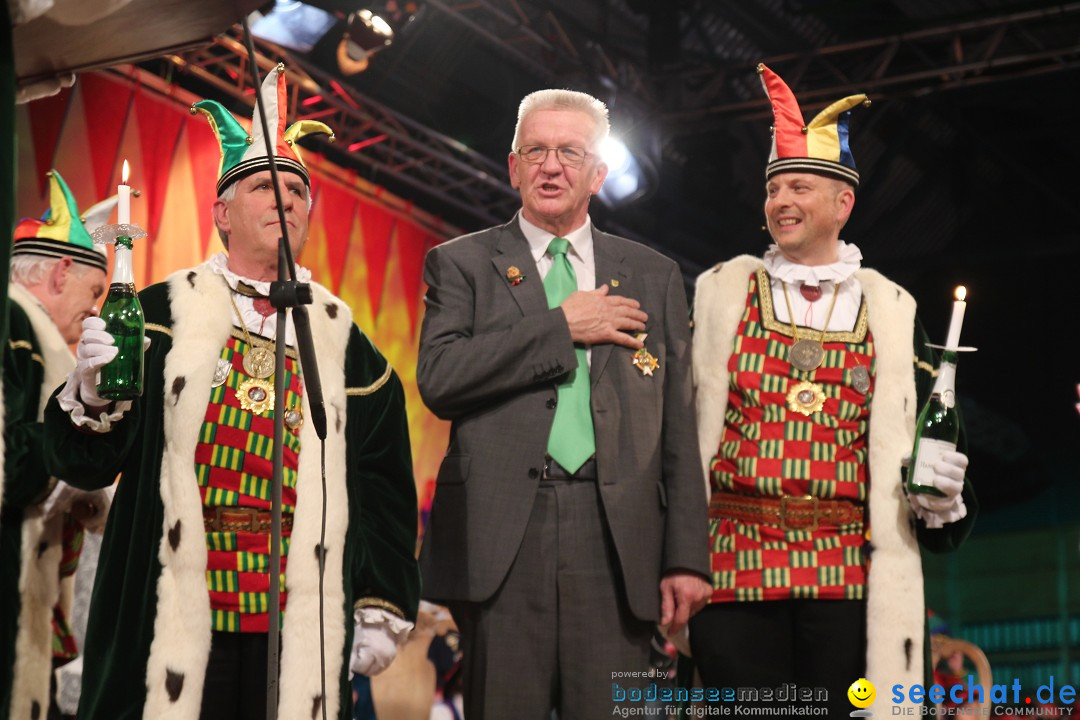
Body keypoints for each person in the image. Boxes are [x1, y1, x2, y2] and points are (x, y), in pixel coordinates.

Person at [42, 64, 420, 720]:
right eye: (263, 186)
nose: (286, 200)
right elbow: (84, 463)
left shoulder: (349, 348)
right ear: (221, 212)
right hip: (170, 611)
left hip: (294, 623)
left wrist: (381, 601)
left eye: (299, 191)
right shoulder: (158, 314)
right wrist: (91, 394)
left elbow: (385, 488)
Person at [688, 63, 977, 716]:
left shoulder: (894, 311)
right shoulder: (720, 295)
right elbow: (677, 433)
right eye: (773, 188)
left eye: (799, 186)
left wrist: (942, 483)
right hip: (733, 571)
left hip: (850, 579)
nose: (781, 201)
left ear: (844, 202)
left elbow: (935, 429)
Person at [416, 88, 711, 719]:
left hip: (619, 538)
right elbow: (439, 378)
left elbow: (679, 428)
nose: (552, 166)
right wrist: (561, 326)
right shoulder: (461, 264)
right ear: (513, 166)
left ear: (599, 174)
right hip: (502, 540)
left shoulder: (653, 274)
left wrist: (687, 557)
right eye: (537, 150)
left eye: (570, 152)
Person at [1, 171, 114, 720]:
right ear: (62, 270)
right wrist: (73, 447)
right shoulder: (17, 328)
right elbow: (11, 466)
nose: (94, 310)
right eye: (95, 292)